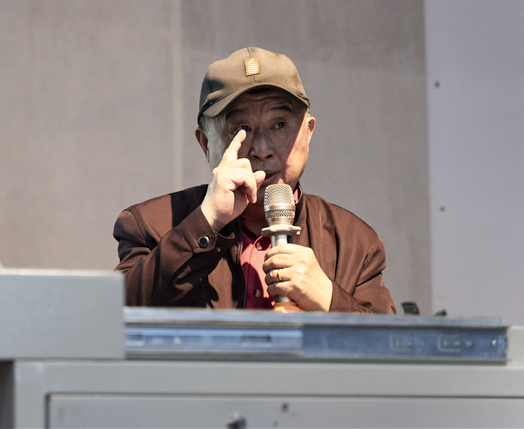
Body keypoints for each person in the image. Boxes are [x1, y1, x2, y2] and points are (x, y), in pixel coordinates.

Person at [114, 46, 395, 313]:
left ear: (308, 132)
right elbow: (112, 321)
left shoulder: (354, 241)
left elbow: (393, 344)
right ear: (206, 143)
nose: (261, 149)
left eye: (279, 125)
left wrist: (329, 299)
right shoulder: (150, 224)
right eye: (242, 128)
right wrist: (206, 223)